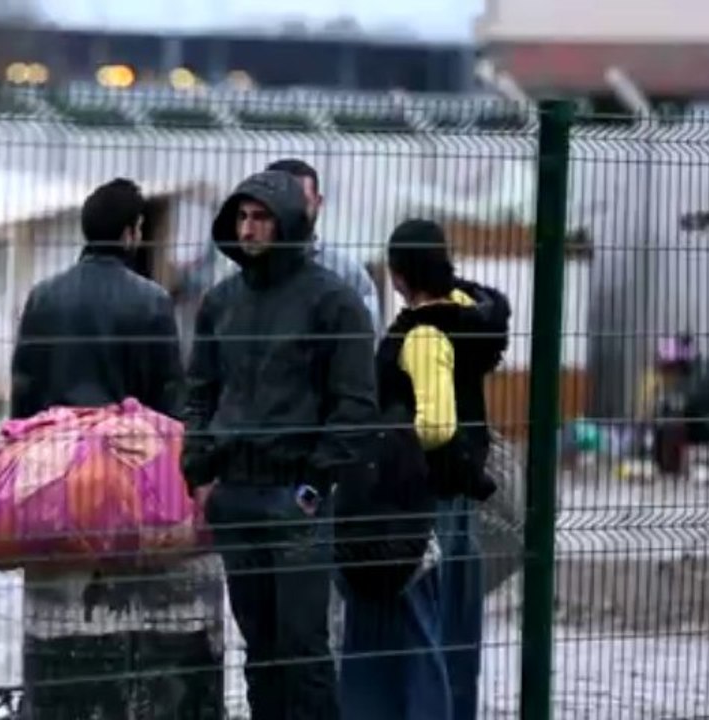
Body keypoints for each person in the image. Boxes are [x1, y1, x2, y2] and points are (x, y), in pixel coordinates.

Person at [10, 178, 222, 719]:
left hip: (53, 474)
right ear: (133, 233)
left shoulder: (43, 297)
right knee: (130, 615)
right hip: (125, 479)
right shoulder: (150, 302)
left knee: (57, 615)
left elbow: (24, 399)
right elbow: (169, 404)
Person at [183, 169, 378, 719]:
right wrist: (198, 472)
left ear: (289, 221)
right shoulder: (221, 302)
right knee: (260, 653)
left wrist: (315, 486)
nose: (248, 229)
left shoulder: (334, 303)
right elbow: (199, 391)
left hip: (296, 496)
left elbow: (355, 405)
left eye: (261, 217)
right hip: (235, 494)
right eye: (242, 217)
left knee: (304, 650)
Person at [340, 219, 510, 720]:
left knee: (414, 630)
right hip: (459, 494)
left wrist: (390, 445)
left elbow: (435, 425)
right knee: (453, 627)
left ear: (397, 274)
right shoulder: (468, 315)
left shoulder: (422, 332)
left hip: (419, 500)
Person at [266, 159, 381, 334]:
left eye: (301, 200)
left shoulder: (347, 271)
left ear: (318, 202)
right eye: (282, 199)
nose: (292, 208)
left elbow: (368, 335)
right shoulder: (243, 271)